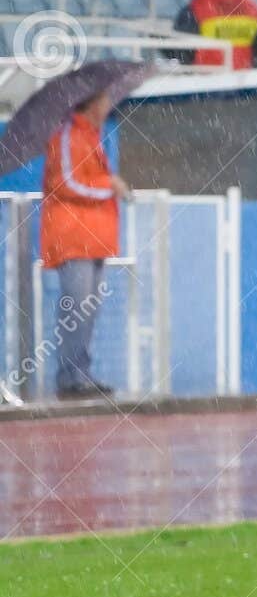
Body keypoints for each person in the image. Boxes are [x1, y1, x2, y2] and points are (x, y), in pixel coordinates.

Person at [41, 90, 130, 398]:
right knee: (76, 308)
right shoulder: (69, 134)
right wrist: (110, 185)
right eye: (106, 99)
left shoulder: (89, 135)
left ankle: (80, 373)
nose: (109, 104)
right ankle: (70, 376)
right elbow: (66, 182)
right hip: (73, 238)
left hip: (90, 238)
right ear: (92, 102)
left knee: (86, 310)